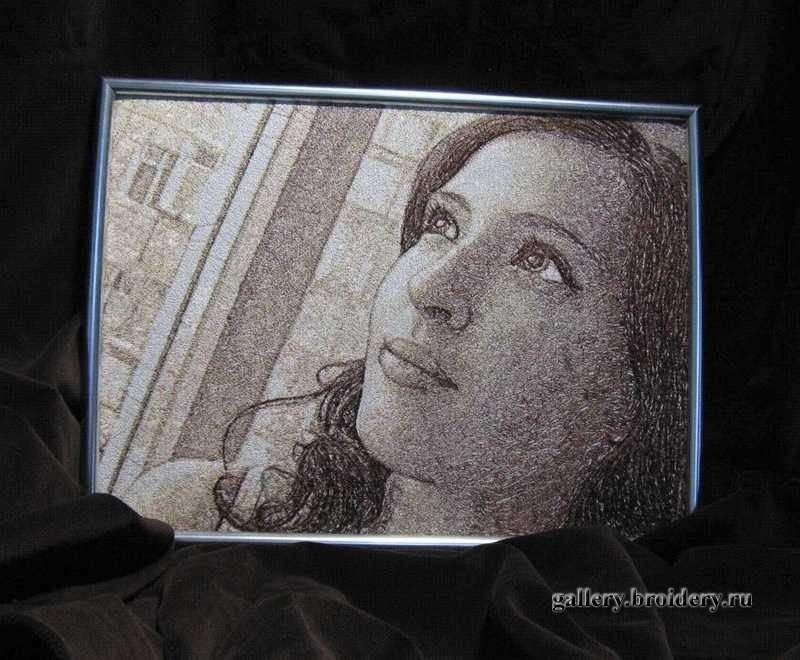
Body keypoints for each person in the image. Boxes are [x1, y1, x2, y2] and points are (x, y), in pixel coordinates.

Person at [126, 114, 689, 539]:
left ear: (629, 397)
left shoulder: (611, 626)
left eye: (538, 261)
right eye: (443, 224)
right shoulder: (188, 517)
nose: (430, 288)